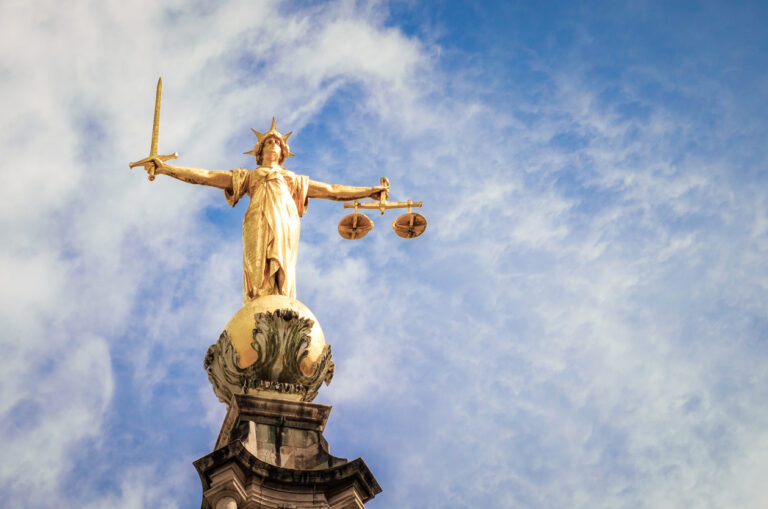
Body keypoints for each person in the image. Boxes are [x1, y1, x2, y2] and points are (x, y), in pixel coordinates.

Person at [140, 118, 387, 303]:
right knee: (258, 268)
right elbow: (206, 176)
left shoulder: (292, 179)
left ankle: (282, 299)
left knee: (284, 264)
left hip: (286, 220)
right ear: (258, 153)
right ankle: (260, 300)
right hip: (257, 218)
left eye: (277, 143)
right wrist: (167, 169)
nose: (272, 144)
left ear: (283, 152)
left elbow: (333, 190)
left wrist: (369, 191)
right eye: (268, 142)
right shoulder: (250, 176)